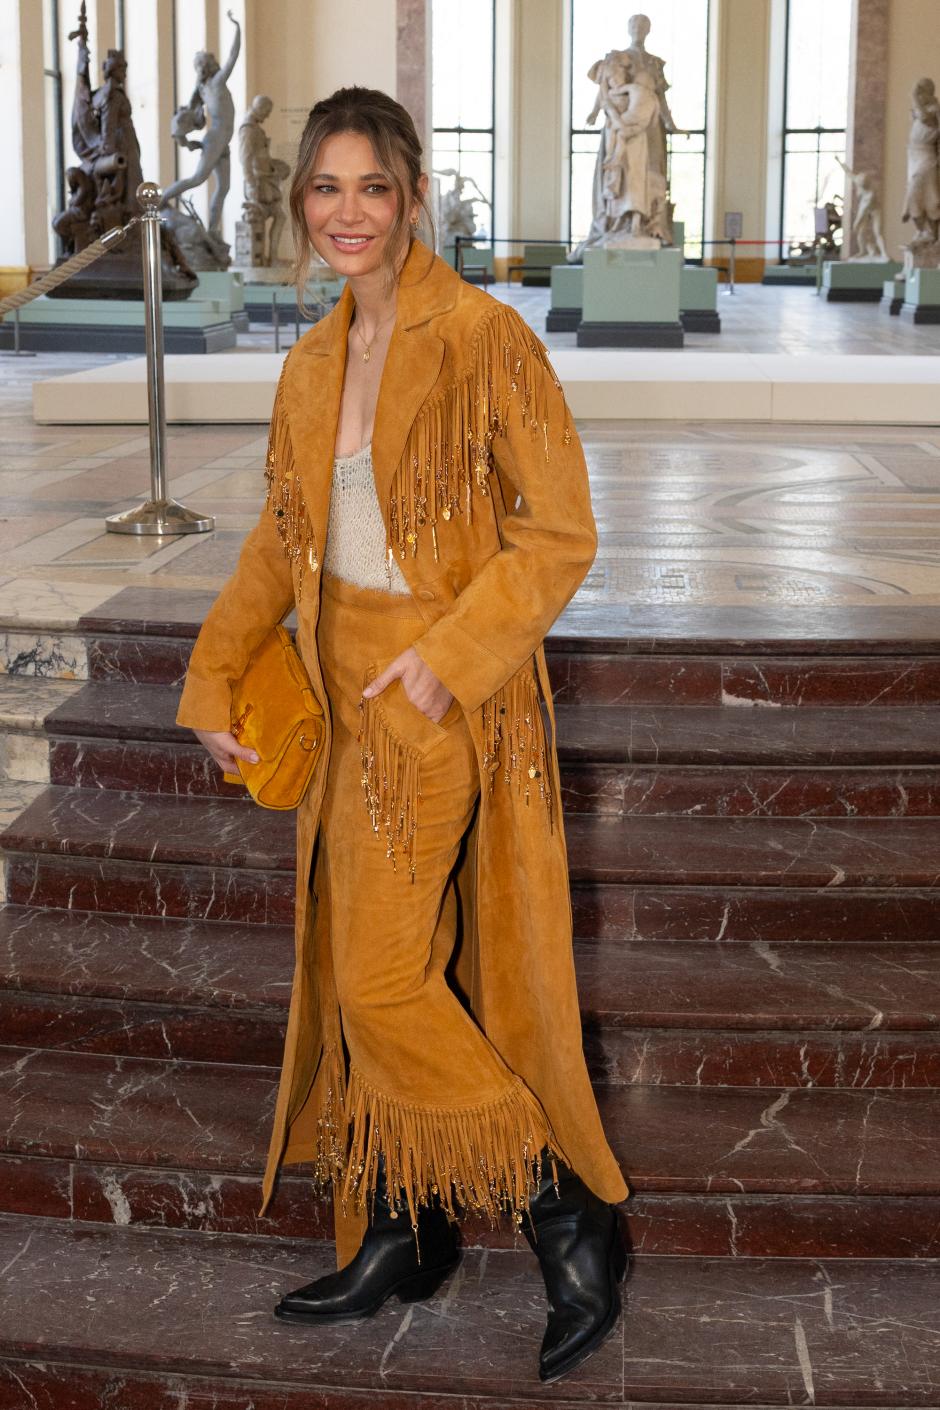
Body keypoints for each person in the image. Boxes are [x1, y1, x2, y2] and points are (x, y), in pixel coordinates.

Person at [175, 85, 629, 1386]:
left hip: (439, 715)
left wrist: (450, 660)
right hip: (336, 709)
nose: (349, 212)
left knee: (380, 980)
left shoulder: (482, 336)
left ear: (415, 196)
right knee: (363, 972)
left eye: (373, 186)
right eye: (326, 187)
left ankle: (564, 1206)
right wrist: (213, 679)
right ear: (301, 205)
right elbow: (280, 538)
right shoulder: (312, 360)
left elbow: (558, 531)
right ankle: (403, 1223)